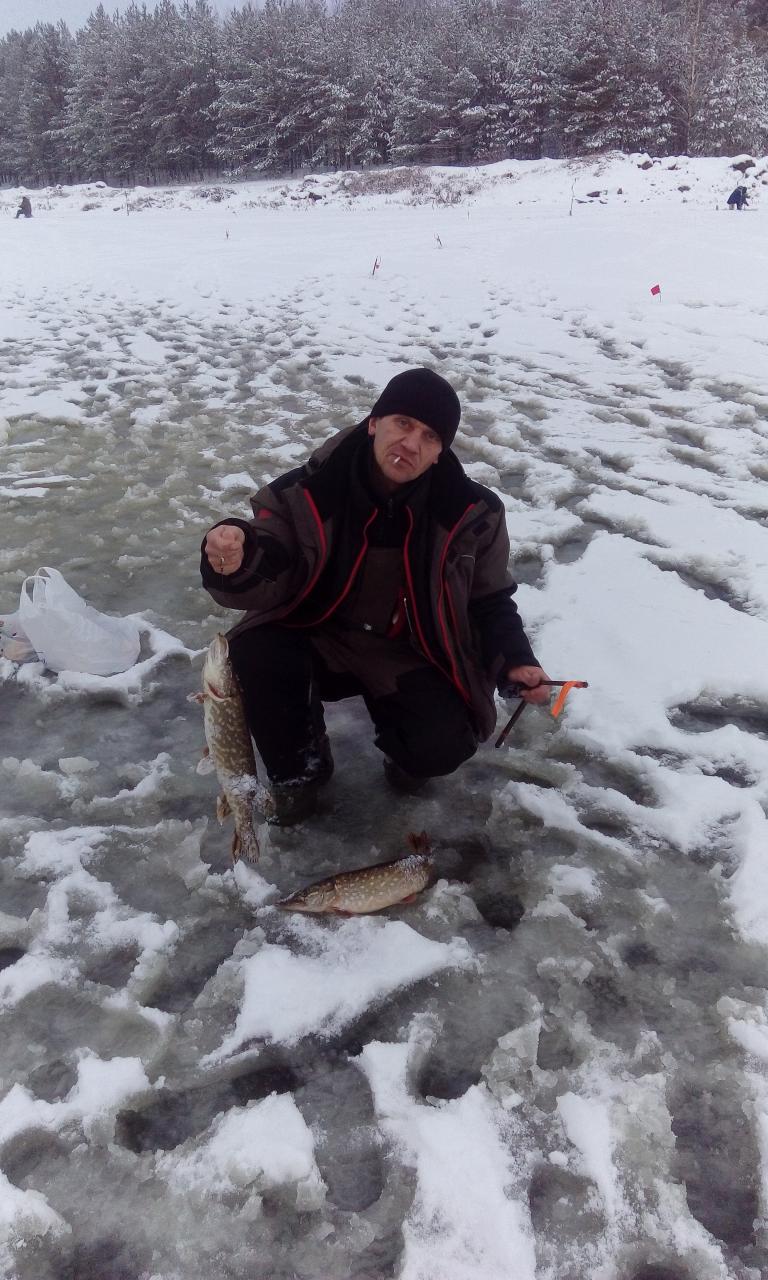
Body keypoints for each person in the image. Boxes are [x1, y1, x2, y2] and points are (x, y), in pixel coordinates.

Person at [201, 368, 550, 825]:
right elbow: (273, 555)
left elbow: (490, 599)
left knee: (440, 746)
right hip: (316, 635)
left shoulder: (473, 515)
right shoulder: (307, 491)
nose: (411, 443)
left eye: (429, 436)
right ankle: (301, 771)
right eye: (403, 423)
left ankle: (405, 758)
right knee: (254, 656)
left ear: (440, 452)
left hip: (405, 651)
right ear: (373, 423)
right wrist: (237, 558)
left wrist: (514, 659)